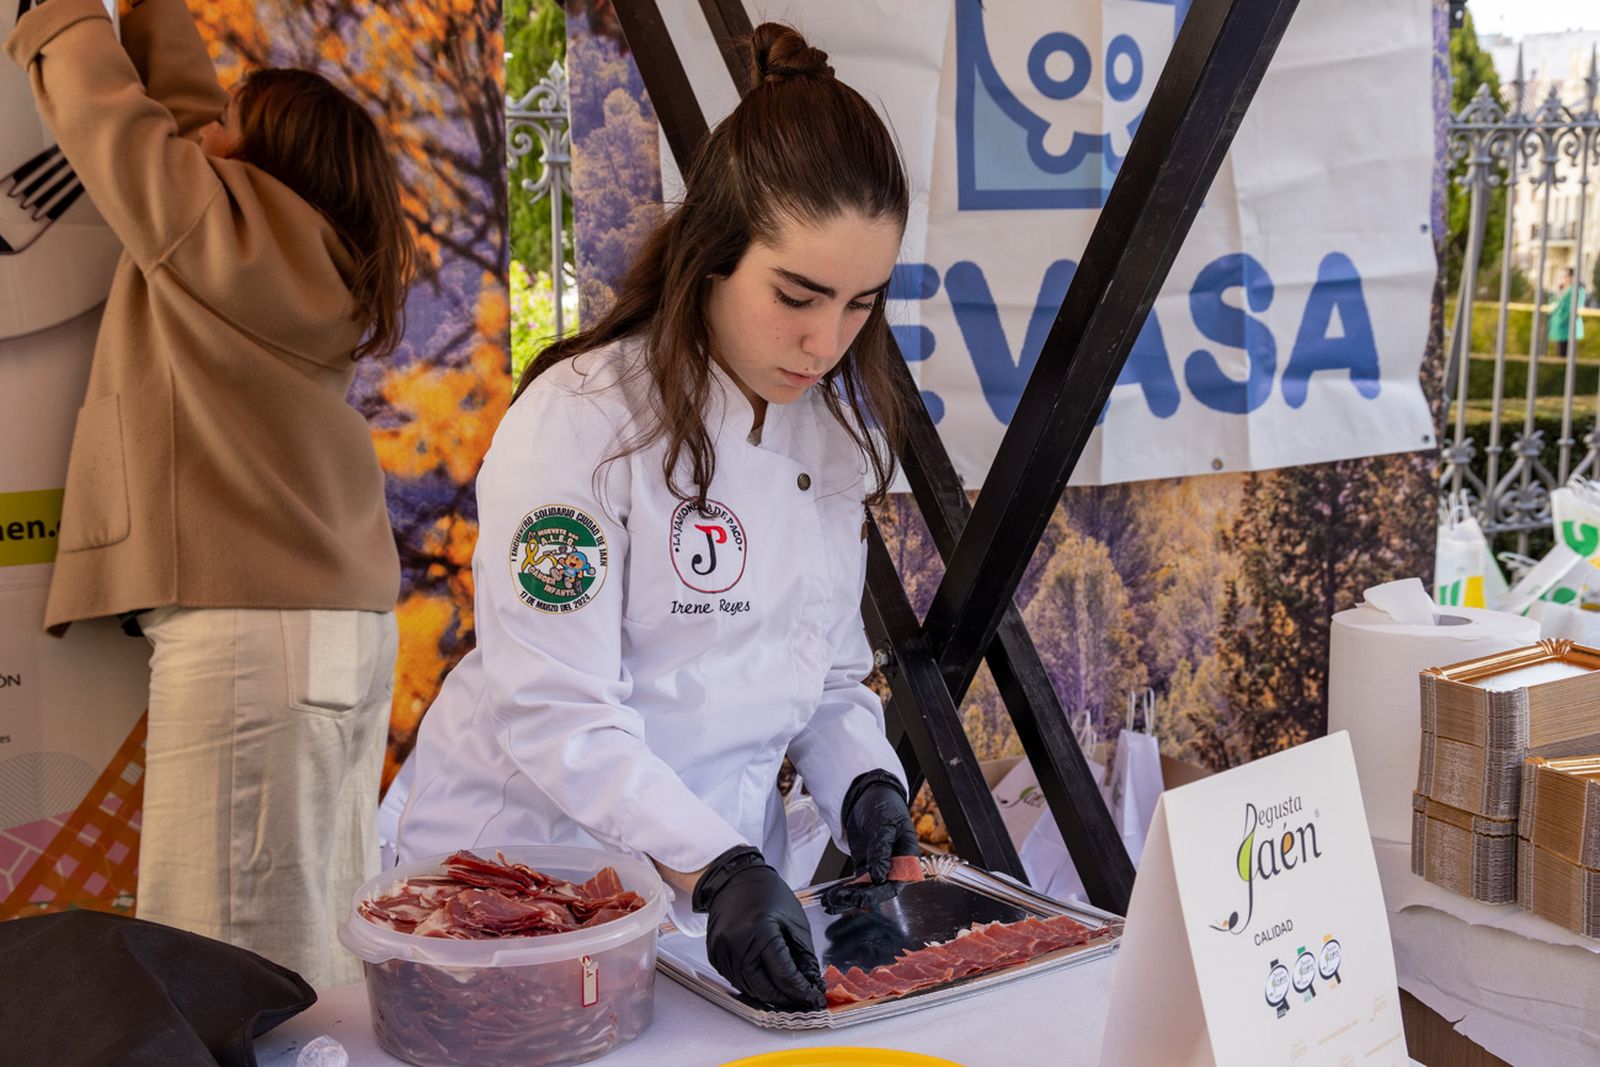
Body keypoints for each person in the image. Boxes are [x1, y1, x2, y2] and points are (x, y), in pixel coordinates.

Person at [396, 23, 919, 1011]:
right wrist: (712, 867)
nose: (825, 339)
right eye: (797, 295)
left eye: (861, 303)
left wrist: (864, 782)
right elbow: (561, 711)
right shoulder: (583, 424)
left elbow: (825, 669)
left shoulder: (828, 436)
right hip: (538, 883)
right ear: (715, 253)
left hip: (720, 906)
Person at [7, 0, 413, 988]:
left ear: (260, 162)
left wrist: (56, 11)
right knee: (314, 960)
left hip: (256, 638)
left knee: (223, 969)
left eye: (233, 117)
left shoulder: (219, 222)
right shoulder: (287, 247)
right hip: (336, 630)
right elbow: (183, 118)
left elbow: (113, 118)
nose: (206, 125)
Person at [1548, 266, 1587, 358]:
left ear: (1572, 277)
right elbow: (1556, 303)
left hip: (1568, 326)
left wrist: (1560, 321)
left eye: (1565, 276)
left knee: (1565, 355)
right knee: (1562, 353)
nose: (1563, 278)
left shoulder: (1576, 290)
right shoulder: (1566, 289)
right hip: (1563, 327)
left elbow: (1570, 309)